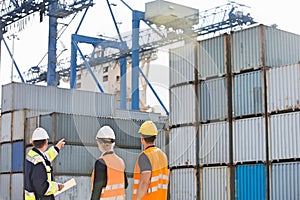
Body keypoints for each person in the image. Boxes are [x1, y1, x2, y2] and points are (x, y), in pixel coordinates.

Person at [24, 127, 65, 200]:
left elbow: (46, 157)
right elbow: (43, 189)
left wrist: (57, 147)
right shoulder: (39, 164)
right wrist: (57, 187)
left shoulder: (32, 155)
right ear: (46, 142)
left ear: (33, 143)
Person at [132, 121, 169, 200]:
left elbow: (144, 182)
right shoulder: (163, 156)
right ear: (155, 137)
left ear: (142, 139)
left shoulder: (144, 156)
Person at [90, 125, 128, 200]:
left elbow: (97, 191)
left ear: (100, 143)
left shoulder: (101, 162)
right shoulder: (120, 162)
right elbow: (125, 185)